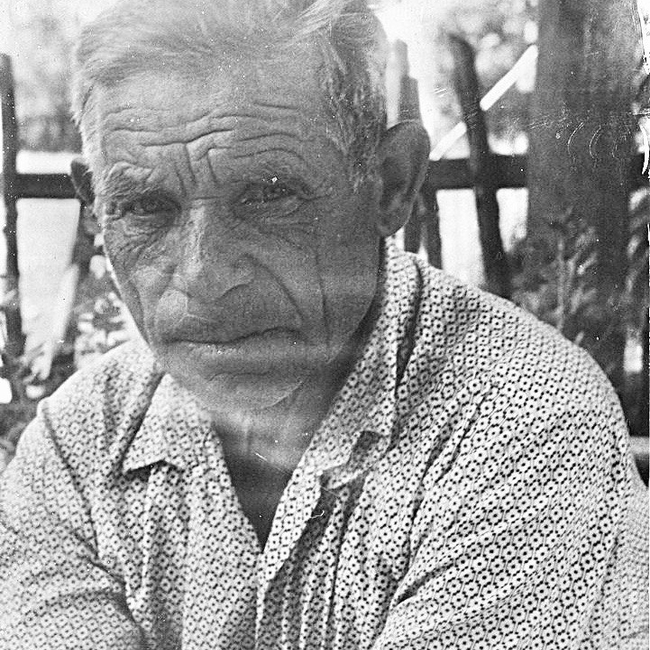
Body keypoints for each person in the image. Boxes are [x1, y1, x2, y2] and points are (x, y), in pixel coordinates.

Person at [0, 0, 647, 648]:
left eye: (269, 194)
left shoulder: (527, 419)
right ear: (96, 206)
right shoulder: (80, 443)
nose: (204, 275)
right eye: (145, 206)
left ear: (391, 184)